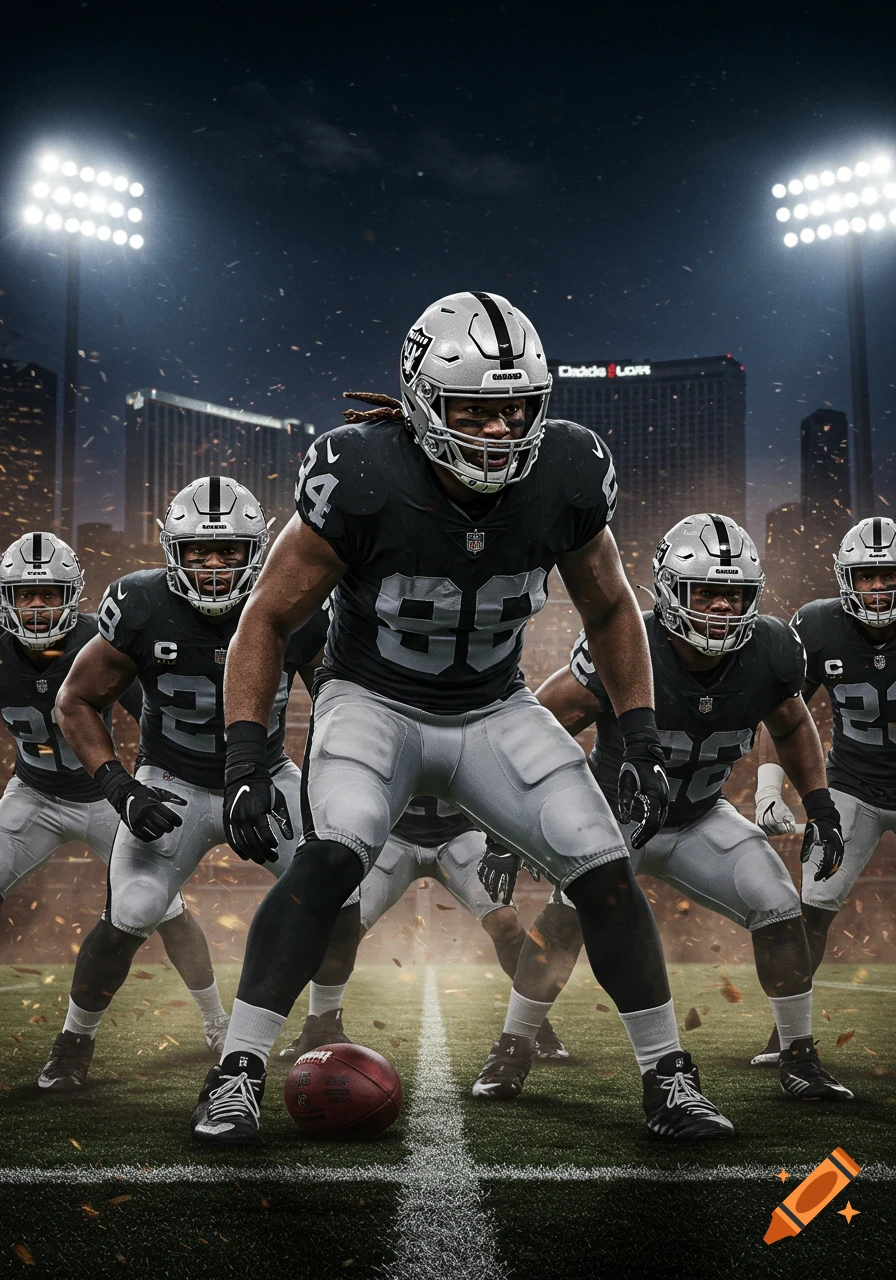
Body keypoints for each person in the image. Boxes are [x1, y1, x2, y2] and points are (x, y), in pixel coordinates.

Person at [191, 291, 733, 1145]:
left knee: (603, 867)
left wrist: (637, 738)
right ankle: (237, 1073)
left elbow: (614, 608)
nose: (498, 430)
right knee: (333, 856)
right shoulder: (361, 471)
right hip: (372, 700)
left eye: (516, 407)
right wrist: (245, 757)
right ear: (420, 403)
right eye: (474, 410)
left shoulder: (568, 468)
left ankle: (670, 1078)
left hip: (493, 705)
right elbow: (266, 617)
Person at [473, 515, 851, 1103]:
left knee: (777, 899)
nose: (723, 607)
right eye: (707, 591)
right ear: (671, 589)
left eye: (736, 594)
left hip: (699, 814)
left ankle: (799, 1057)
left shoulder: (773, 649)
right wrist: (506, 828)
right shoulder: (628, 642)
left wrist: (821, 805)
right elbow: (536, 728)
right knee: (569, 913)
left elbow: (794, 723)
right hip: (614, 819)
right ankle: (513, 1048)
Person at [38, 479, 322, 1091]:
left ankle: (326, 1025)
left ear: (259, 550)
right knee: (135, 910)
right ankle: (74, 1039)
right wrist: (121, 788)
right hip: (173, 781)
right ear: (173, 550)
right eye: (198, 550)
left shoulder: (297, 602)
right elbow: (77, 700)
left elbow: (343, 700)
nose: (214, 565)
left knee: (336, 890)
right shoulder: (140, 604)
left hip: (267, 776)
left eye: (228, 551)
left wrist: (319, 781)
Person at [0, 531, 227, 1089]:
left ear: (73, 593)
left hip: (108, 796)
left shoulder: (100, 638)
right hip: (33, 794)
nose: (37, 607)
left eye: (48, 593)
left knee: (164, 911)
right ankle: (77, 1047)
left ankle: (217, 1023)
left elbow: (157, 718)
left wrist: (136, 787)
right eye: (24, 595)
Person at [751, 515, 896, 1064]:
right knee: (812, 908)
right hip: (852, 786)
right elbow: (783, 712)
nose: (878, 589)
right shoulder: (816, 626)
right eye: (867, 576)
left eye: (889, 576)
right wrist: (770, 788)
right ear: (845, 580)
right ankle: (787, 1036)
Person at [279, 793, 568, 1064]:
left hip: (461, 835)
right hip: (391, 836)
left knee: (505, 923)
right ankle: (320, 1024)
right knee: (345, 922)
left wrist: (504, 842)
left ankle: (536, 1029)